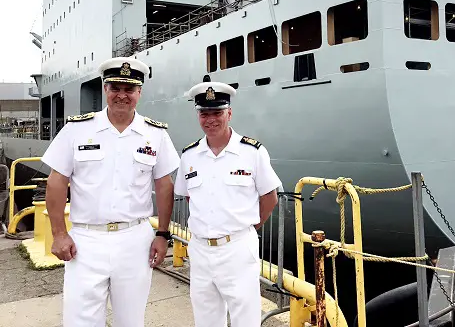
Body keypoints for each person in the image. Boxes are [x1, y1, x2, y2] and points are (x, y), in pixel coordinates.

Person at [42, 57, 180, 327]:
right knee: (79, 321)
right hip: (85, 242)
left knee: (131, 320)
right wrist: (59, 233)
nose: (122, 95)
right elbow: (56, 181)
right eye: (115, 87)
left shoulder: (156, 134)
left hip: (135, 241)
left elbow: (164, 185)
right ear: (105, 89)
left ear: (139, 92)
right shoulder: (77, 129)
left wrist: (163, 234)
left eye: (129, 89)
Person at [174, 81, 281, 327]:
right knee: (206, 319)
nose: (210, 119)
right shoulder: (189, 155)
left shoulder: (252, 152)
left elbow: (270, 197)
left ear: (229, 113)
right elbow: (191, 198)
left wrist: (247, 229)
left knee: (246, 319)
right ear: (198, 115)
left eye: (217, 113)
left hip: (237, 250)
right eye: (204, 113)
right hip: (200, 250)